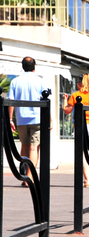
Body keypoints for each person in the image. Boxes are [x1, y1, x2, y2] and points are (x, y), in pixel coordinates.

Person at [7, 57, 46, 186]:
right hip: (37, 118)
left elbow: (10, 101)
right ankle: (30, 177)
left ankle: (24, 175)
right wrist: (49, 119)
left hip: (21, 118)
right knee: (34, 148)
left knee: (24, 146)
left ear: (22, 66)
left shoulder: (15, 81)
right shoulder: (40, 81)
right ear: (34, 66)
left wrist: (10, 119)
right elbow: (46, 100)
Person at [63, 74, 89, 187]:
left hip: (81, 126)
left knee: (82, 154)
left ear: (80, 83)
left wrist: (65, 100)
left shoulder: (76, 95)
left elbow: (67, 111)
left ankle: (87, 181)